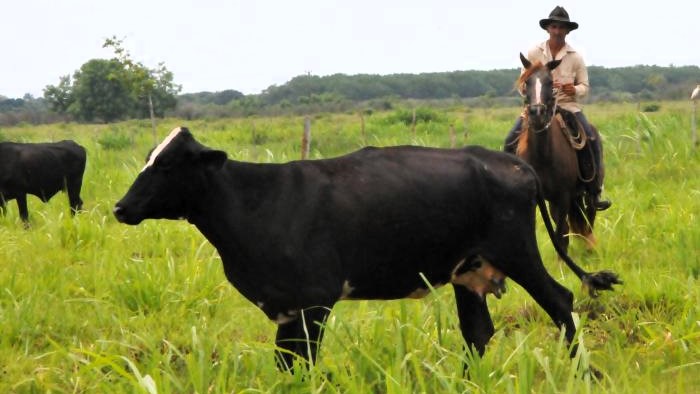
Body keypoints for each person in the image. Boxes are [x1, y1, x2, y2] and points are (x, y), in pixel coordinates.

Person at [504, 6, 611, 211]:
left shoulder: (576, 57)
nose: (557, 31)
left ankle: (594, 191)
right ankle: (508, 188)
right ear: (548, 29)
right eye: (554, 26)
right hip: (537, 107)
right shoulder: (534, 53)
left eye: (561, 27)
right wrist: (533, 97)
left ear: (567, 31)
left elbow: (585, 87)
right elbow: (522, 83)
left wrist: (574, 89)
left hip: (567, 106)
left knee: (591, 138)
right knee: (509, 141)